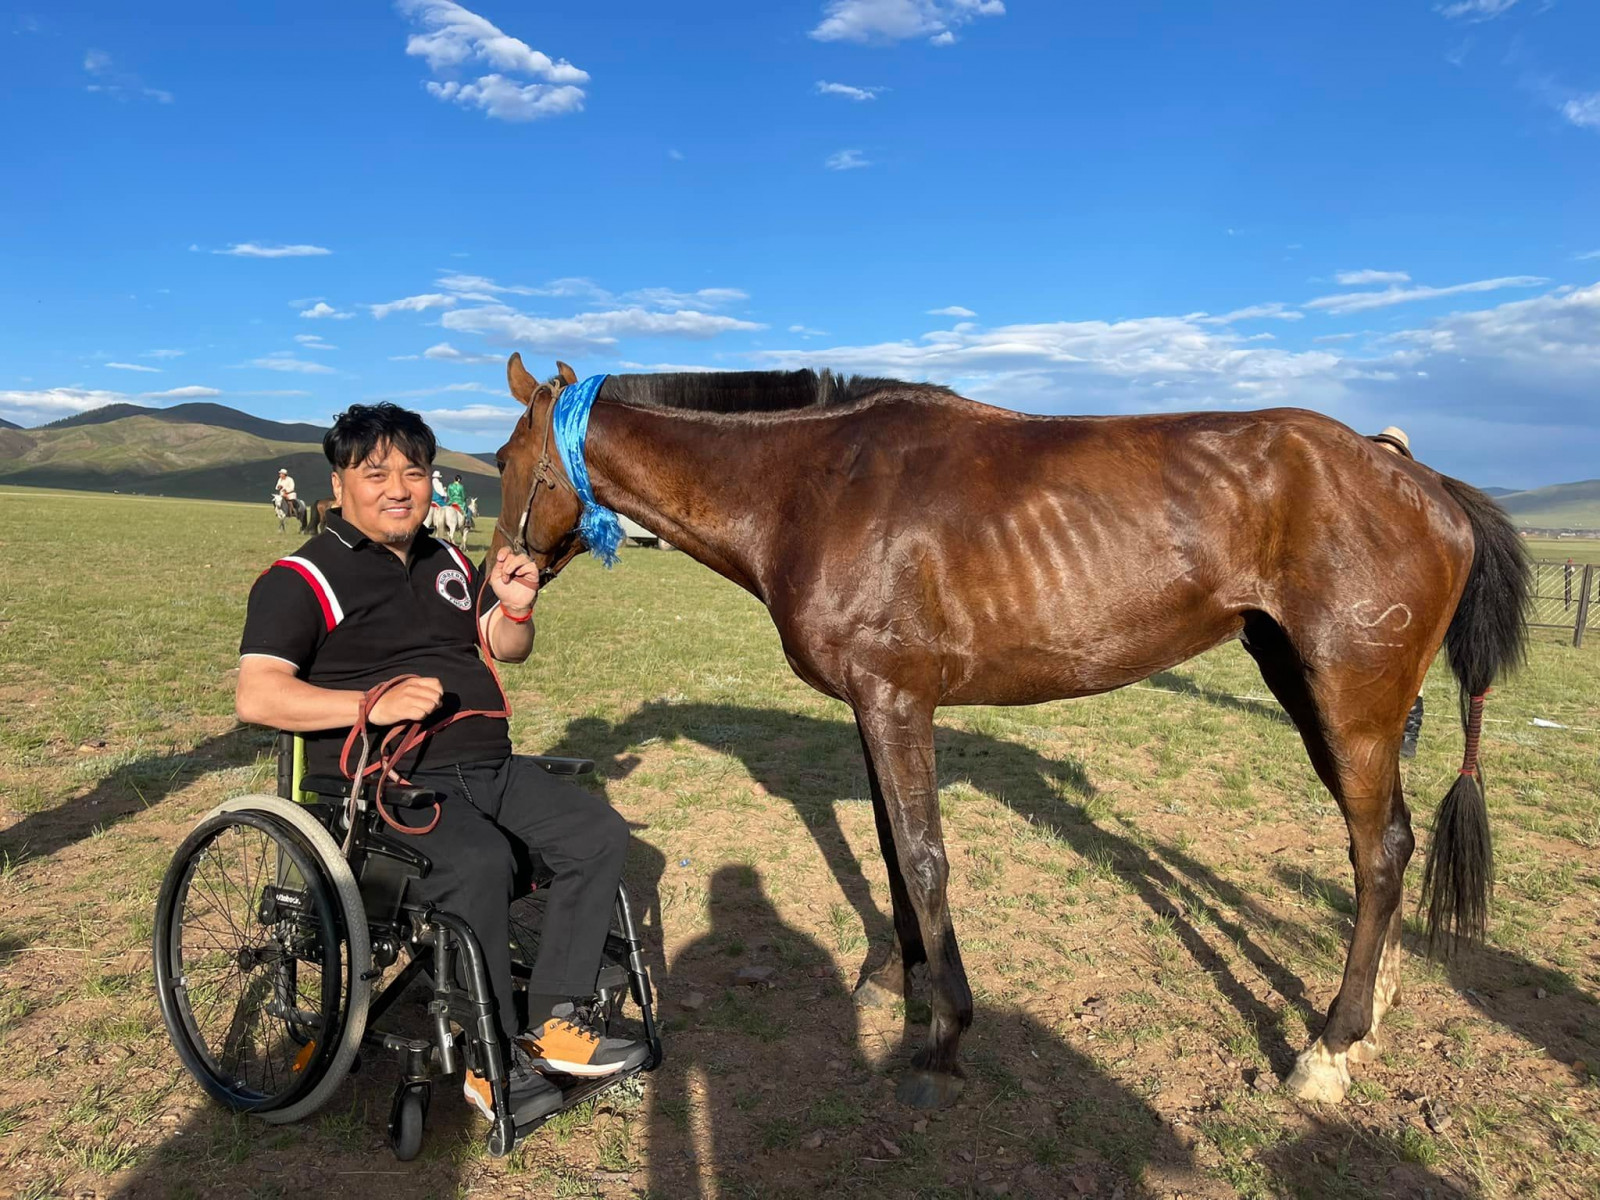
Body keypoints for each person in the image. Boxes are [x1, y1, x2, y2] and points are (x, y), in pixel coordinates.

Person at [235, 403, 648, 1127]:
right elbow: (258, 694)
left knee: (598, 833)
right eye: (376, 472)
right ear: (338, 482)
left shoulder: (450, 561)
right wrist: (373, 700)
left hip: (487, 766)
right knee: (481, 861)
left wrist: (515, 609)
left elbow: (504, 647)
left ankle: (554, 1020)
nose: (399, 488)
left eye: (414, 471)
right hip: (382, 784)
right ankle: (490, 1062)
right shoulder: (301, 578)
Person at [1373, 426, 1426, 758]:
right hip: (1365, 587)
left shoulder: (1412, 499)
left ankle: (1408, 729)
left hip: (1401, 587)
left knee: (1408, 662)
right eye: (1381, 450)